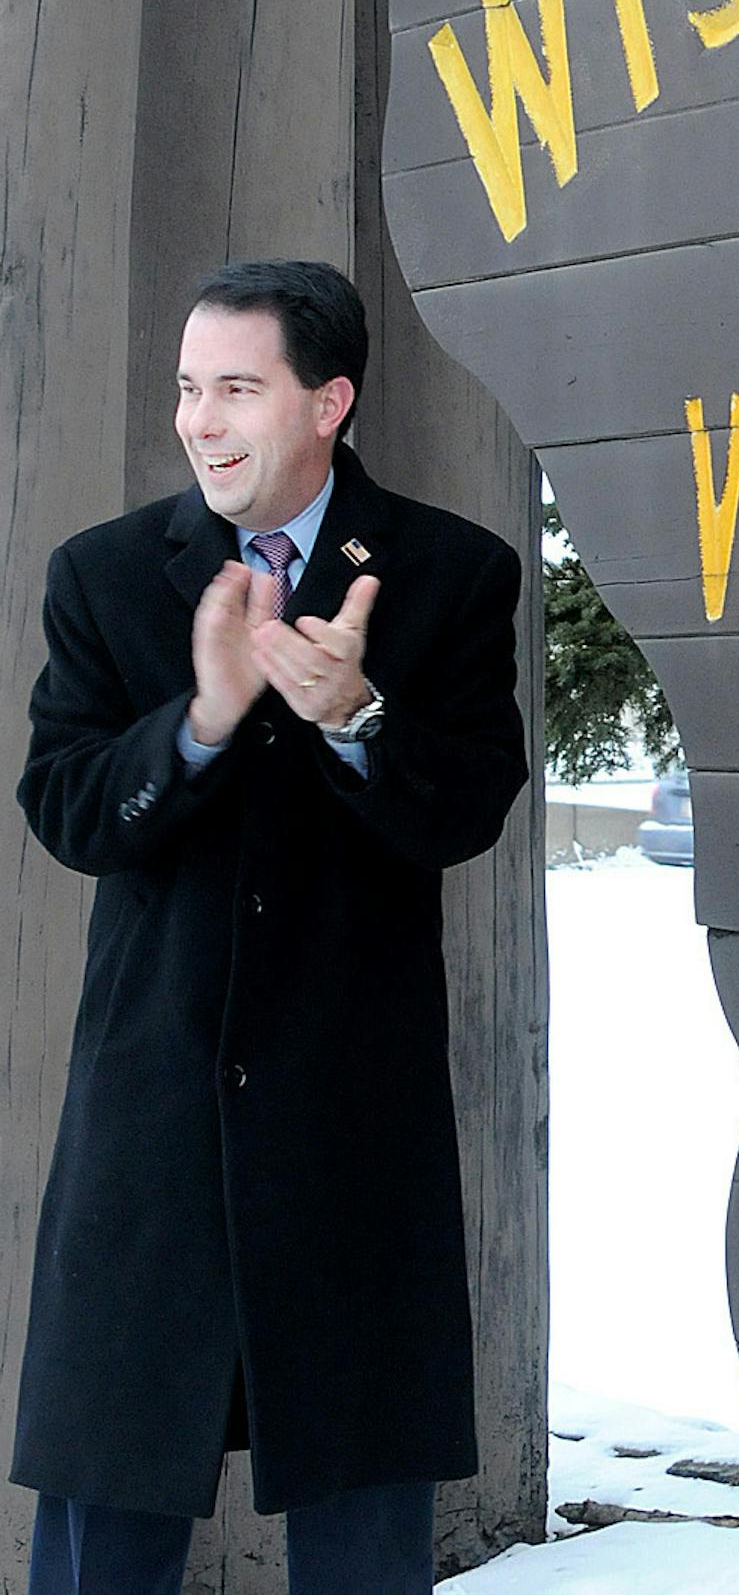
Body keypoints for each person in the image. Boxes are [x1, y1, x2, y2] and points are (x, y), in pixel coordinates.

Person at [12, 260, 529, 1595]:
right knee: (101, 1539)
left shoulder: (446, 574)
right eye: (190, 388)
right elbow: (69, 809)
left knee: (363, 1536)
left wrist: (355, 715)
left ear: (329, 402)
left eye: (236, 387)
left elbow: (467, 804)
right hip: (152, 1134)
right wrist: (198, 722)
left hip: (351, 1138)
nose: (200, 420)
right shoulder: (111, 575)